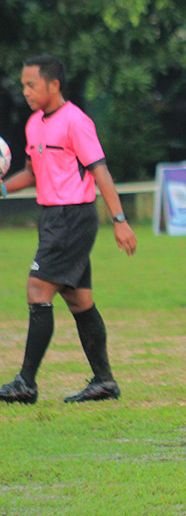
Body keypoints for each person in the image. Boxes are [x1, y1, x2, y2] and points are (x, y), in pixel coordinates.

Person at [0, 54, 137, 405]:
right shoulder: (34, 125)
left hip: (73, 217)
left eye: (32, 84)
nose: (26, 91)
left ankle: (25, 384)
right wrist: (2, 188)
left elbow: (100, 171)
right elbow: (32, 174)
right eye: (23, 85)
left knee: (37, 289)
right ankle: (104, 382)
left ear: (54, 85)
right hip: (51, 218)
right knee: (79, 300)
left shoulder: (76, 122)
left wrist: (119, 220)